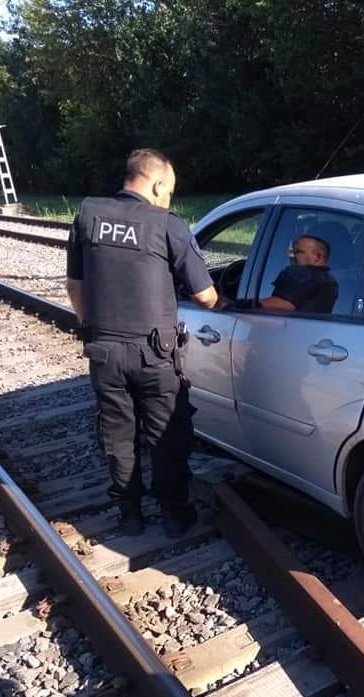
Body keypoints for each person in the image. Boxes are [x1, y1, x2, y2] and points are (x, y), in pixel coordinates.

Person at [66, 148, 219, 538]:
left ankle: (130, 516)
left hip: (104, 351)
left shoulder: (88, 215)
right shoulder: (166, 224)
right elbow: (205, 297)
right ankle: (174, 516)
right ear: (156, 184)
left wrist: (92, 328)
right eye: (169, 191)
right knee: (166, 436)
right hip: (155, 355)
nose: (168, 199)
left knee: (118, 437)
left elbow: (75, 286)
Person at [259, 235, 338, 312]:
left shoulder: (304, 275)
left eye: (298, 252)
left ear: (318, 256)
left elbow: (282, 305)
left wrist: (252, 304)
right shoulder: (330, 281)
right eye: (292, 252)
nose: (291, 256)